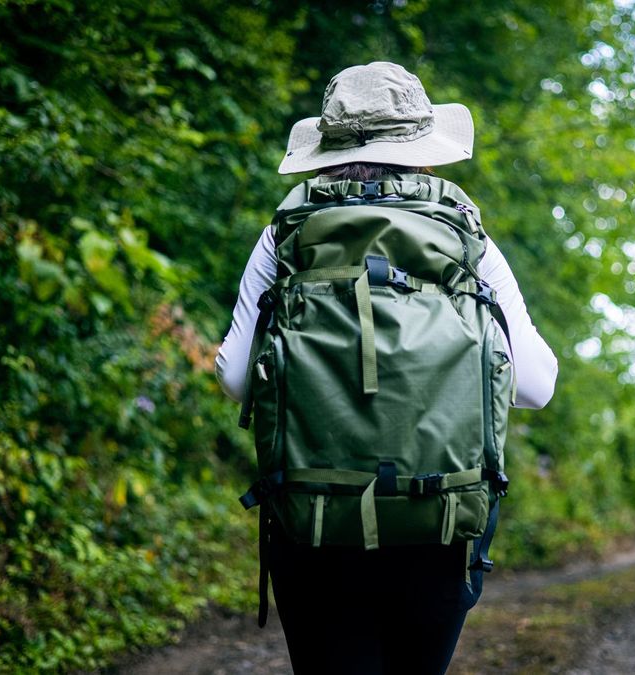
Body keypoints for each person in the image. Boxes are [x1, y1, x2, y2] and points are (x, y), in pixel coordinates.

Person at [215, 62, 558, 675]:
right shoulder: (465, 236)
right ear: (422, 151)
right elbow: (534, 386)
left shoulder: (286, 235)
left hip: (313, 522)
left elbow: (238, 380)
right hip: (441, 523)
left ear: (323, 150)